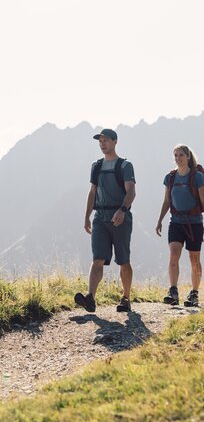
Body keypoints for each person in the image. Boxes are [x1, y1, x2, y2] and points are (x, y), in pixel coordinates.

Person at [74, 128, 136, 313]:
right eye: (100, 141)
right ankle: (90, 298)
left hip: (120, 218)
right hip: (100, 217)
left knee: (123, 260)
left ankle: (126, 298)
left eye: (106, 140)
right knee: (98, 259)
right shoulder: (96, 166)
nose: (102, 143)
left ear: (115, 141)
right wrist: (86, 216)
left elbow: (131, 190)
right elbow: (92, 192)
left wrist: (123, 210)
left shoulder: (125, 166)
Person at [156, 144, 204, 307]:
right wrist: (160, 220)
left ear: (188, 156)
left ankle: (194, 293)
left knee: (194, 259)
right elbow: (167, 201)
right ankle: (173, 291)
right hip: (176, 222)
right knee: (174, 254)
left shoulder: (197, 177)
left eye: (181, 155)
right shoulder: (170, 178)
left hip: (195, 223)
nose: (178, 158)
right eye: (175, 155)